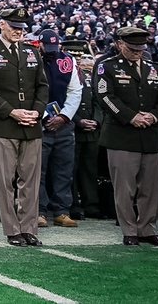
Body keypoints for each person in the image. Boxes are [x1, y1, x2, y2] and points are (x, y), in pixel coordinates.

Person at [0, 6, 48, 248]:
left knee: (30, 180)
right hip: (2, 124)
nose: (19, 31)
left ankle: (29, 228)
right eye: (14, 27)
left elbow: (42, 86)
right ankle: (12, 229)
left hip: (30, 124)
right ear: (2, 25)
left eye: (22, 28)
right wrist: (11, 111)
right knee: (4, 181)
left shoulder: (31, 51)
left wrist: (36, 111)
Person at [95, 26, 158, 246]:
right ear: (120, 45)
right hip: (121, 136)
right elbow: (105, 97)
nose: (137, 52)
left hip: (150, 136)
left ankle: (147, 228)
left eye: (140, 48)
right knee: (124, 188)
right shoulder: (107, 67)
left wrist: (154, 117)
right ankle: (129, 230)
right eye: (132, 48)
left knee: (150, 188)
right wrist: (130, 117)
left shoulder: (155, 69)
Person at [36, 28, 83, 229]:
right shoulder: (31, 61)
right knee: (39, 169)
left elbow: (75, 91)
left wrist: (63, 116)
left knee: (64, 169)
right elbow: (29, 91)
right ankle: (38, 210)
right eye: (49, 46)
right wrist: (46, 116)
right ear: (40, 44)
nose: (52, 50)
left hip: (64, 122)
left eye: (56, 46)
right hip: (39, 120)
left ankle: (62, 210)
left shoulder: (68, 61)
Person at [64, 39, 102, 220]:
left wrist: (96, 120)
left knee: (90, 170)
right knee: (70, 171)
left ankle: (92, 205)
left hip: (92, 131)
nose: (77, 59)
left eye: (79, 55)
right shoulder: (62, 76)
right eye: (73, 55)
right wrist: (79, 121)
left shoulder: (88, 76)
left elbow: (98, 101)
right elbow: (62, 104)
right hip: (73, 129)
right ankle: (73, 206)